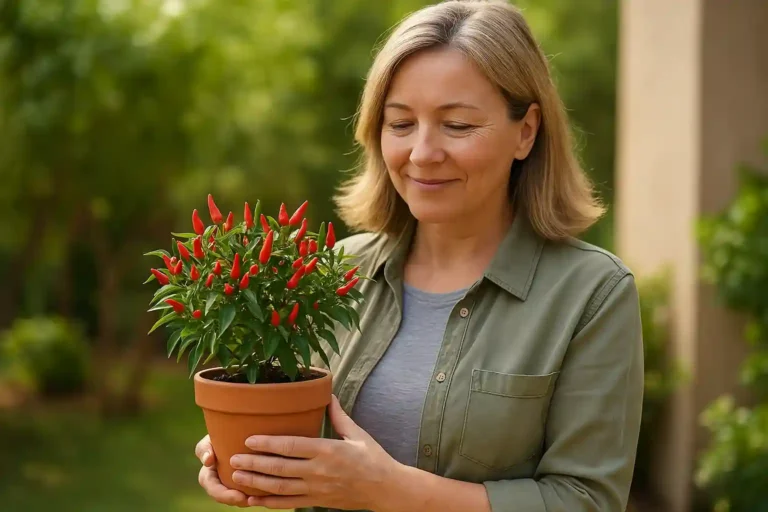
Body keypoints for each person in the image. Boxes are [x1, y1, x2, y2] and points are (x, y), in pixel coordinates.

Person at [195, 0, 644, 510]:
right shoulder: (340, 271)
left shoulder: (591, 294)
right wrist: (246, 449)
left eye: (457, 126)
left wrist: (393, 491)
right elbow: (295, 419)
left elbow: (587, 500)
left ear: (526, 131)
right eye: (401, 124)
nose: (422, 153)